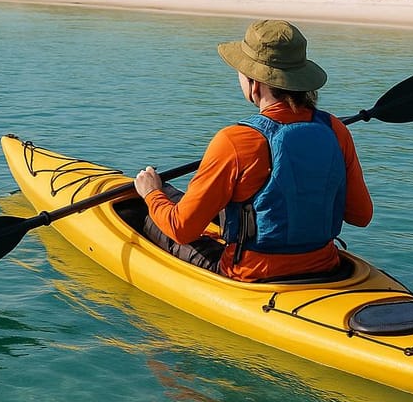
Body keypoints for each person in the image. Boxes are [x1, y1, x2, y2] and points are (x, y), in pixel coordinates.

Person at [133, 19, 373, 282]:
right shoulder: (336, 130)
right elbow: (360, 216)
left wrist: (151, 193)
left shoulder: (235, 140)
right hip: (325, 266)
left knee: (150, 214)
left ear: (254, 83)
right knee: (176, 196)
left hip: (251, 275)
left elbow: (181, 230)